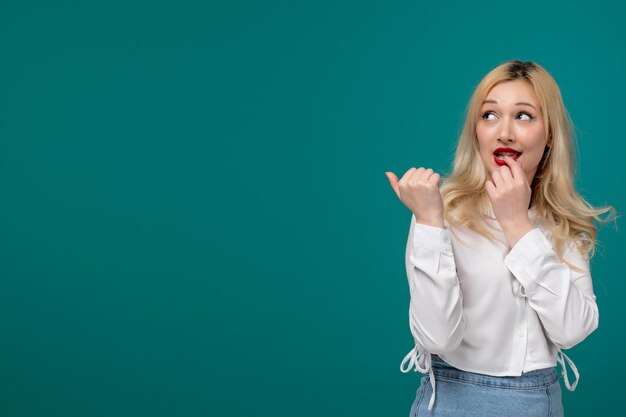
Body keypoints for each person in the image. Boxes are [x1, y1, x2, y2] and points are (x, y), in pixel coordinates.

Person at [385, 60, 614, 416]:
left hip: (538, 403)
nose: (503, 132)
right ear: (476, 130)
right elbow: (437, 339)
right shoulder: (441, 211)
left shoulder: (565, 223)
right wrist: (429, 221)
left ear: (550, 133)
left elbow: (572, 330)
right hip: (449, 402)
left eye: (523, 116)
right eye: (489, 115)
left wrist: (517, 224)